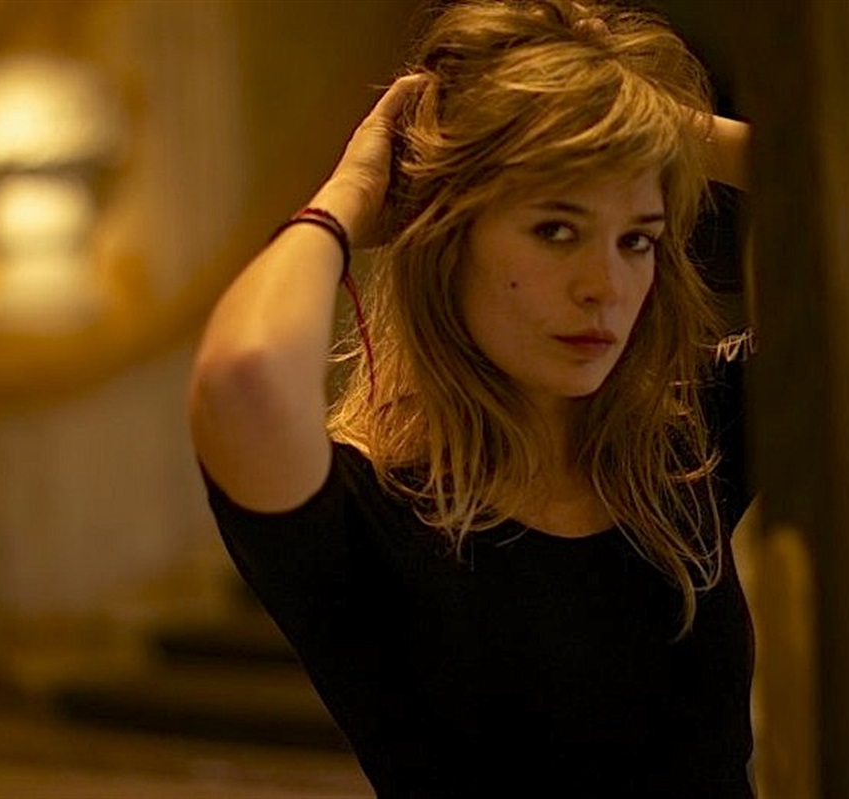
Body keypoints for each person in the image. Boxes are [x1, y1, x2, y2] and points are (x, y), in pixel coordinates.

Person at [189, 0, 756, 796]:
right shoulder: (371, 519)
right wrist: (351, 194)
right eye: (556, 230)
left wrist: (657, 126)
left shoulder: (683, 443)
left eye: (636, 239)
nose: (606, 286)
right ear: (447, 240)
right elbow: (244, 372)